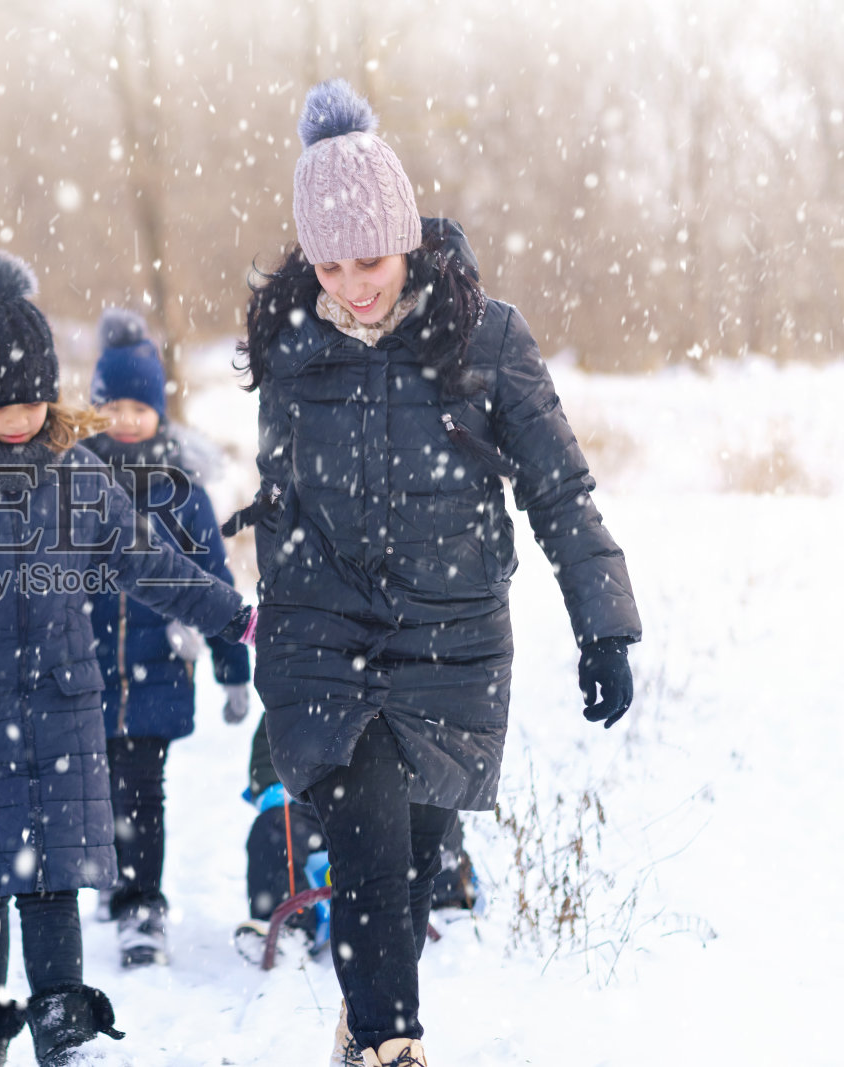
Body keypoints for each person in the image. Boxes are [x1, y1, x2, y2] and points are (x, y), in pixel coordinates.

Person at [230, 80, 641, 1067]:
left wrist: (604, 622)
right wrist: (270, 625)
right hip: (327, 636)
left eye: (367, 259)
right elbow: (281, 492)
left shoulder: (484, 337)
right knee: (366, 836)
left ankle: (366, 1017)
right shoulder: (290, 346)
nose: (352, 284)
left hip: (449, 634)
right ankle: (388, 1042)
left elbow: (558, 486)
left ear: (405, 236)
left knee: (410, 864)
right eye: (328, 264)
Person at [0, 251, 255, 1067]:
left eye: (35, 399)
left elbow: (150, 563)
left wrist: (231, 616)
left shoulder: (75, 477)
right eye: (1, 405)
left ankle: (65, 1030)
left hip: (62, 715)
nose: (21, 416)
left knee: (51, 885)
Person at [80, 308, 253, 968]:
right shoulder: (73, 485)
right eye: (112, 407)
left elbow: (213, 581)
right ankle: (106, 873)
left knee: (142, 790)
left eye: (137, 407)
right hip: (85, 672)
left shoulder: (182, 495)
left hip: (157, 670)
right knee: (93, 786)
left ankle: (141, 906)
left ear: (159, 411)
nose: (125, 419)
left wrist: (232, 668)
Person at [232, 714, 479, 967]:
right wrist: (281, 790)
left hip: (389, 799)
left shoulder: (400, 687)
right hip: (317, 806)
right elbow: (266, 761)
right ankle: (291, 930)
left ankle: (448, 902)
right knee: (272, 828)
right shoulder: (302, 690)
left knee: (432, 809)